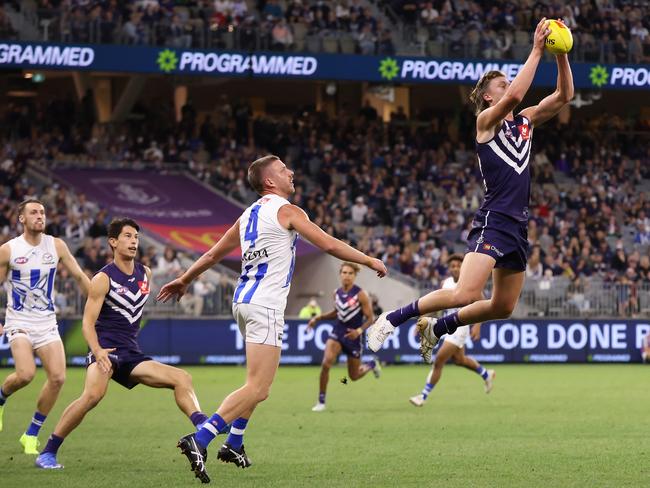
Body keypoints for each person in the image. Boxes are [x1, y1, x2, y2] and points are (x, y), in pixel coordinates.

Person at [157, 155, 386, 483]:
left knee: (255, 383)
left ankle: (234, 443)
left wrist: (185, 279)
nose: (290, 172)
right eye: (282, 170)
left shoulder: (247, 214)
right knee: (259, 387)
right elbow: (328, 244)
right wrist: (368, 259)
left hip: (243, 303)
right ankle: (201, 438)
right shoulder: (288, 211)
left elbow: (212, 254)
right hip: (265, 305)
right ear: (269, 182)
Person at [367, 18, 574, 363]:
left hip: (517, 225)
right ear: (487, 95)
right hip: (495, 219)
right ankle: (391, 319)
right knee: (466, 292)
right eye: (502, 84)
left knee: (503, 306)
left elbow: (565, 95)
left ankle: (437, 328)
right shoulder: (484, 123)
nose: (508, 86)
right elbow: (515, 95)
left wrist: (562, 53)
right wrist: (537, 49)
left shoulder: (524, 122)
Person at [35, 218, 209, 469]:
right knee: (92, 396)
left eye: (136, 237)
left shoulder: (145, 273)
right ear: (113, 242)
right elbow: (87, 322)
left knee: (182, 378)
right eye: (127, 236)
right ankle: (48, 452)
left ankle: (203, 426)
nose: (133, 241)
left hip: (131, 353)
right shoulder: (103, 278)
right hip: (105, 349)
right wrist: (97, 351)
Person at [0, 199, 90, 455]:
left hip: (47, 322)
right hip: (19, 322)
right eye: (33, 212)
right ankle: (1, 396)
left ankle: (30, 434)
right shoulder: (9, 250)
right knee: (26, 374)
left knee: (59, 377)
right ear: (21, 219)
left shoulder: (56, 245)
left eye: (42, 212)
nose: (40, 216)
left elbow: (79, 276)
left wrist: (96, 299)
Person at [409, 255, 494, 407]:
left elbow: (484, 305)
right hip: (447, 325)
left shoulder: (471, 284)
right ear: (449, 268)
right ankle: (486, 374)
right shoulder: (446, 283)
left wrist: (477, 325)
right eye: (452, 265)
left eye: (458, 265)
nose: (455, 268)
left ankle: (423, 396)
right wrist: (422, 319)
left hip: (460, 327)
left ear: (464, 267)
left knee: (439, 359)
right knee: (459, 360)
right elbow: (438, 304)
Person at [308, 262, 380, 412]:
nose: (347, 276)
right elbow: (336, 312)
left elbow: (370, 318)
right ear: (340, 274)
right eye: (344, 272)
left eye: (350, 273)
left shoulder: (361, 294)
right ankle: (321, 401)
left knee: (353, 376)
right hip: (338, 332)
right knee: (326, 363)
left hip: (354, 336)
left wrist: (359, 331)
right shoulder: (336, 293)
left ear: (354, 276)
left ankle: (371, 364)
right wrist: (318, 318)